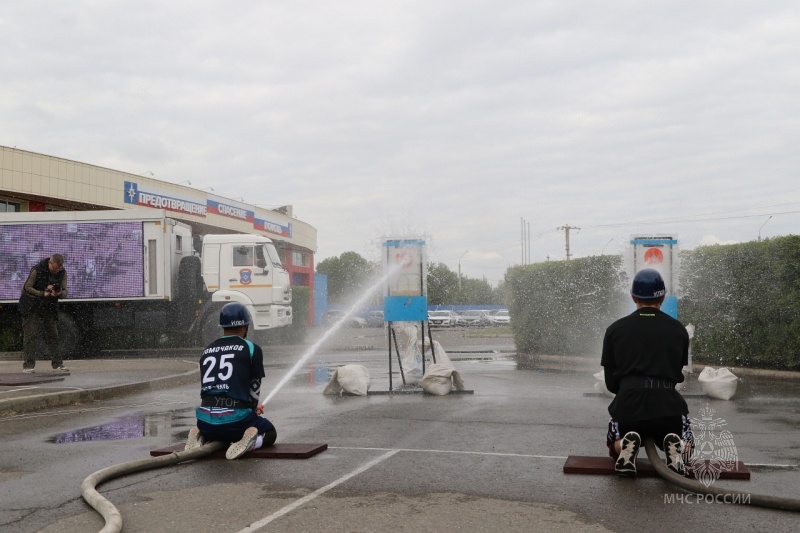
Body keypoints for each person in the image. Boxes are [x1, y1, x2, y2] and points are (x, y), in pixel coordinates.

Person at [602, 268, 693, 477]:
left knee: (612, 444)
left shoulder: (615, 330)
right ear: (662, 296)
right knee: (688, 447)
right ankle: (675, 445)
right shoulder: (678, 330)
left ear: (633, 297)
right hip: (668, 407)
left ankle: (626, 444)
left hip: (629, 407)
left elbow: (610, 383)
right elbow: (677, 372)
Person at [185, 302, 277, 459]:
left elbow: (207, 389)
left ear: (223, 326)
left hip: (205, 420)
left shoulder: (207, 350)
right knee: (270, 432)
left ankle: (200, 434)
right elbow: (254, 387)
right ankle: (251, 443)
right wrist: (252, 409)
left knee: (217, 429)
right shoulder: (251, 348)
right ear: (245, 326)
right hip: (235, 422)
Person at [19, 254, 68, 373]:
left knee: (53, 335)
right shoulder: (37, 270)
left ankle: (57, 364)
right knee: (31, 336)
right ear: (50, 263)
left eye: (59, 269)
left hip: (49, 307)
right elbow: (27, 288)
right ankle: (28, 365)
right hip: (32, 307)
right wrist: (42, 293)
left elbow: (65, 290)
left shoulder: (62, 273)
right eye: (55, 268)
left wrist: (58, 293)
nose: (57, 271)